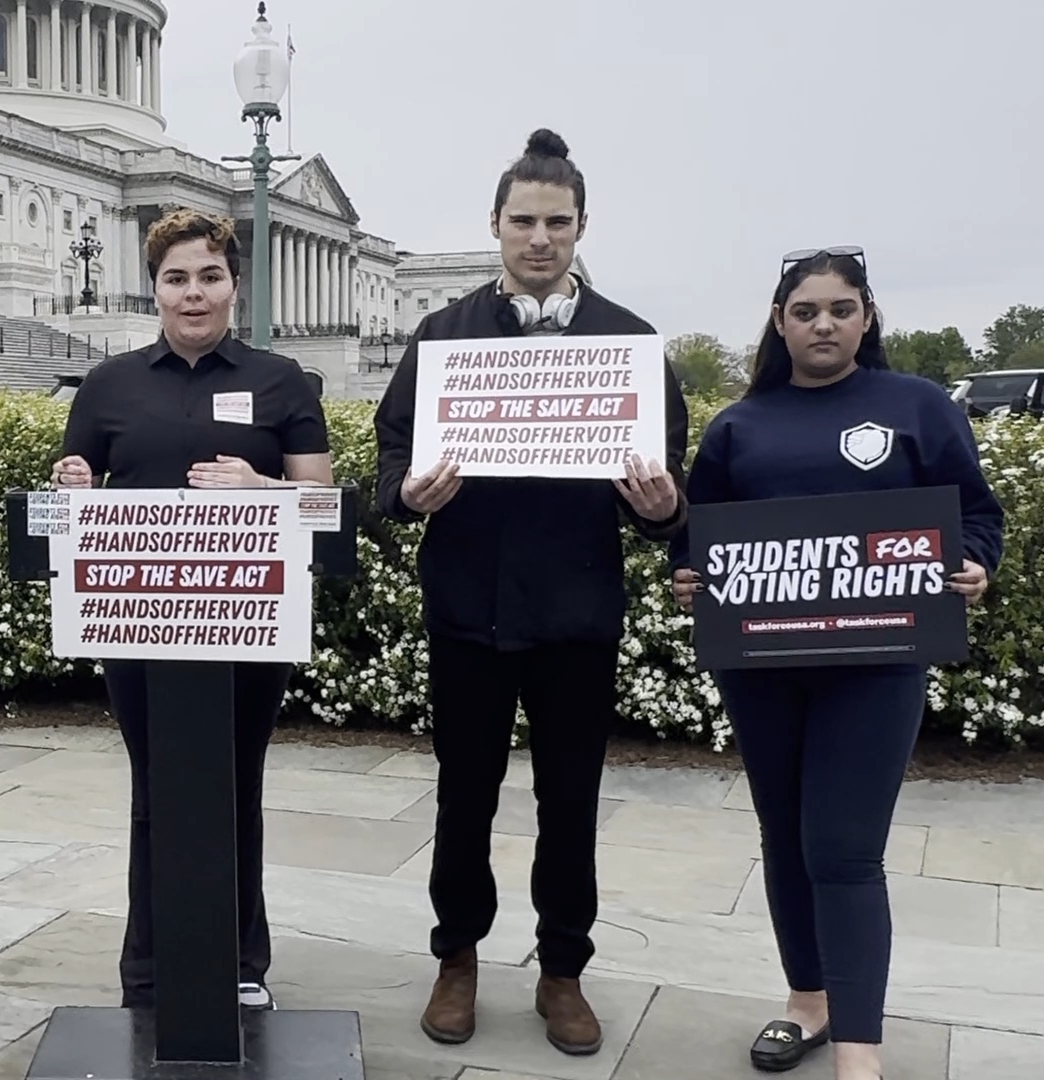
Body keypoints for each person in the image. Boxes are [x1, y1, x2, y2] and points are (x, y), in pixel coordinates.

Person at [372, 129, 689, 1056]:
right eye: (523, 221)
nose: (539, 238)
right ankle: (457, 957)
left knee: (571, 804)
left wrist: (666, 509)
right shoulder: (442, 335)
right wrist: (406, 493)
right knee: (461, 797)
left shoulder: (628, 343)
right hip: (468, 609)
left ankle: (562, 971)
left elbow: (665, 495)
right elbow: (393, 457)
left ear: (582, 226)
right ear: (496, 227)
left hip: (576, 614)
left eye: (557, 222)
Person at [669, 248, 1002, 1080]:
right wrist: (688, 575)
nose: (824, 324)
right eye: (806, 311)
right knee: (784, 838)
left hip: (877, 662)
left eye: (841, 309)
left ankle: (860, 1048)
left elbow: (974, 511)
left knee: (845, 850)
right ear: (780, 324)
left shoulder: (917, 405)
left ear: (868, 316)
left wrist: (976, 564)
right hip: (763, 665)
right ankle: (807, 1004)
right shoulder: (740, 424)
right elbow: (697, 534)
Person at [51, 207, 333, 1012]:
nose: (194, 293)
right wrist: (71, 488)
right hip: (139, 627)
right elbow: (75, 496)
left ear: (234, 284)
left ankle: (242, 962)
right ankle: (147, 969)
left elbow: (328, 507)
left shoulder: (280, 382)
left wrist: (265, 490)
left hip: (248, 624)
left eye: (210, 276)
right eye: (176, 279)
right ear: (155, 291)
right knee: (157, 788)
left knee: (235, 786)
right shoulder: (109, 384)